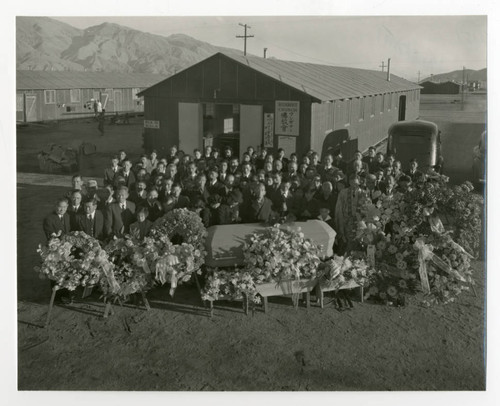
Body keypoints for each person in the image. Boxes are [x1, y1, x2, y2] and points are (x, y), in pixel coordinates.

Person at [335, 174, 366, 254]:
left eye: (356, 184)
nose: (354, 186)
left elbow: (367, 209)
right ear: (349, 182)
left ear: (359, 182)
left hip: (359, 222)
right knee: (347, 243)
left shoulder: (364, 193)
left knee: (359, 242)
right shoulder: (343, 192)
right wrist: (340, 222)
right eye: (352, 184)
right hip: (346, 222)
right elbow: (339, 208)